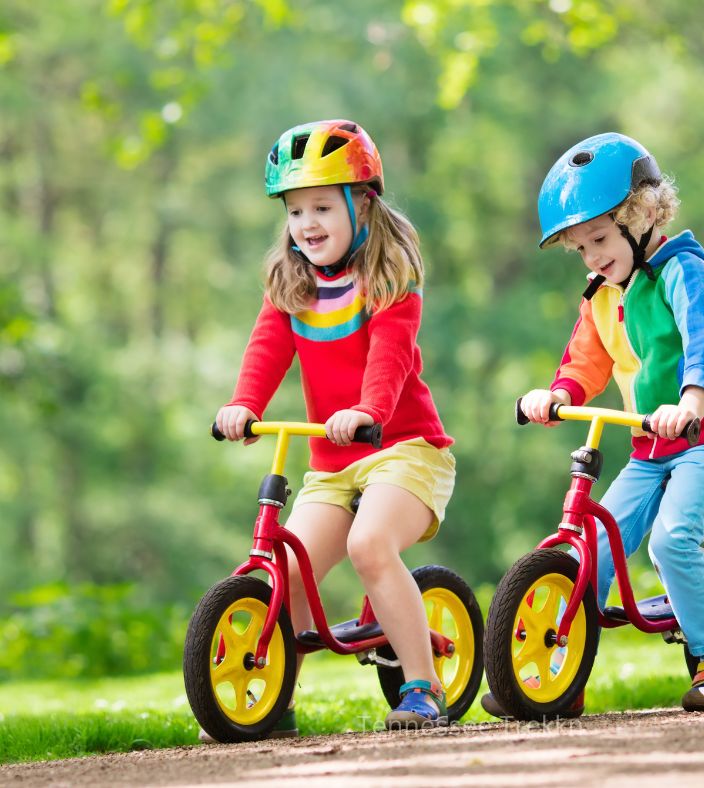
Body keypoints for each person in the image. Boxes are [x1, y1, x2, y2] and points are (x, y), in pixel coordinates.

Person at [486, 132, 704, 717]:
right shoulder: (604, 294)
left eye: (601, 240)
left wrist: (691, 399)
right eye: (580, 248)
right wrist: (556, 395)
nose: (592, 257)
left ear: (643, 216)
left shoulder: (686, 273)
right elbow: (586, 360)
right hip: (648, 447)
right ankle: (561, 674)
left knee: (671, 540)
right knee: (592, 552)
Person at [210, 119, 456, 735]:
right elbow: (266, 350)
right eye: (295, 212)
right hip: (332, 462)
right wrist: (244, 404)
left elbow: (390, 357)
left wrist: (369, 412)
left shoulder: (389, 282)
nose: (306, 224)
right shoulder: (291, 284)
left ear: (362, 204)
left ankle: (423, 688)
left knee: (368, 546)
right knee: (284, 570)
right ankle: (272, 702)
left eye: (322, 206)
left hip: (405, 450)